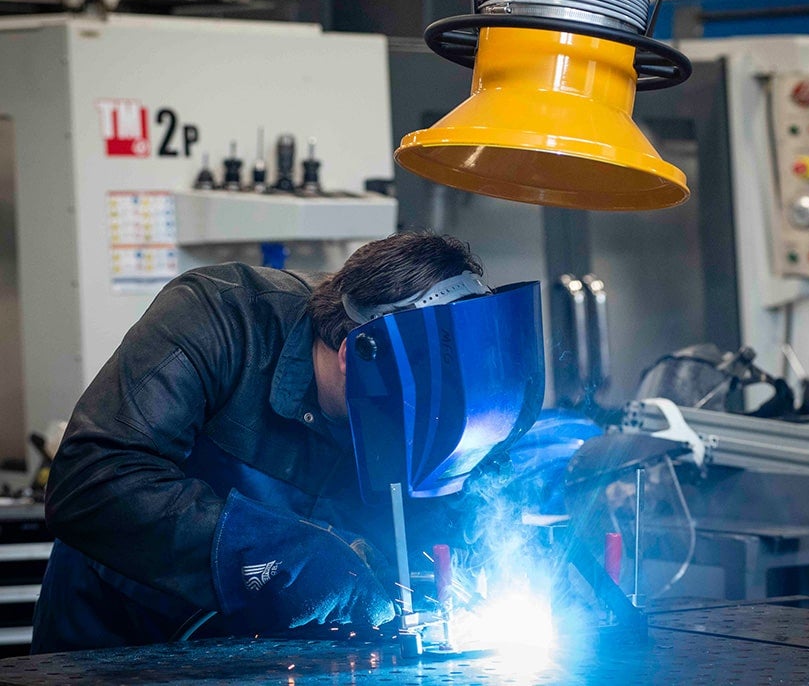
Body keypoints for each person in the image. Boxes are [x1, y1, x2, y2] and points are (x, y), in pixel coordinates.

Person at [31, 231, 545, 654]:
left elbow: (457, 517)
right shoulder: (220, 316)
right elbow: (88, 481)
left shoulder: (437, 405)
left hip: (277, 654)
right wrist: (285, 553)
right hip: (120, 641)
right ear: (355, 356)